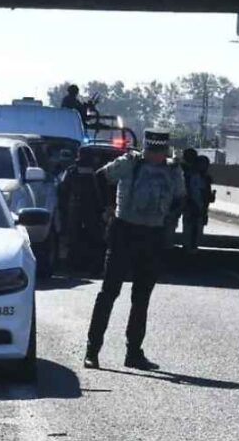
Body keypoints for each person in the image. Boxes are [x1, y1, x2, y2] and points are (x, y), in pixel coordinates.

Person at [84, 129, 185, 371]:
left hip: (152, 235)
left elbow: (181, 197)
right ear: (146, 148)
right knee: (109, 293)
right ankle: (92, 350)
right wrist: (107, 207)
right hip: (124, 231)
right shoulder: (129, 164)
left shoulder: (172, 170)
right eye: (152, 151)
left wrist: (171, 219)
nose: (156, 156)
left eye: (160, 151)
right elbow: (100, 178)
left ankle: (134, 353)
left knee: (141, 298)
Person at [182, 151, 211, 253]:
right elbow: (187, 191)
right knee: (189, 230)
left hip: (201, 208)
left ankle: (193, 249)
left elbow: (207, 196)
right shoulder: (190, 176)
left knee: (197, 231)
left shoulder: (206, 179)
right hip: (191, 207)